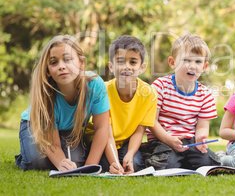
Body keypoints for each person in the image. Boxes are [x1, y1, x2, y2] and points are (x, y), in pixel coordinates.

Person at [15, 35, 110, 171]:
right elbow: (52, 141)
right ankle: (25, 154)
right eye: (54, 62)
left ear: (81, 63)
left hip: (68, 129)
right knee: (36, 163)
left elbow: (102, 128)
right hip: (35, 125)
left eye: (67, 59)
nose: (61, 66)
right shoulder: (46, 93)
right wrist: (60, 162)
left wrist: (90, 166)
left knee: (76, 162)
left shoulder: (95, 85)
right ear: (47, 70)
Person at [142, 34, 220, 170]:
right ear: (172, 63)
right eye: (186, 60)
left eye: (198, 62)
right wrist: (168, 139)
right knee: (167, 165)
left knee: (210, 164)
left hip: (190, 143)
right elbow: (151, 121)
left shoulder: (205, 95)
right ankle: (149, 155)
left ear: (204, 67)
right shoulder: (160, 86)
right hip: (163, 140)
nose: (192, 66)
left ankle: (182, 160)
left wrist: (201, 137)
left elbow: (202, 126)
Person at [85, 35, 157, 174]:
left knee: (134, 163)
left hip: (124, 142)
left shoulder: (149, 94)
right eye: (120, 61)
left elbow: (139, 131)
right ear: (111, 66)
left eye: (133, 62)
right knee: (108, 165)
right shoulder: (103, 91)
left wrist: (130, 153)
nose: (126, 67)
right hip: (99, 139)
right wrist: (114, 162)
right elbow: (106, 133)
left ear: (142, 67)